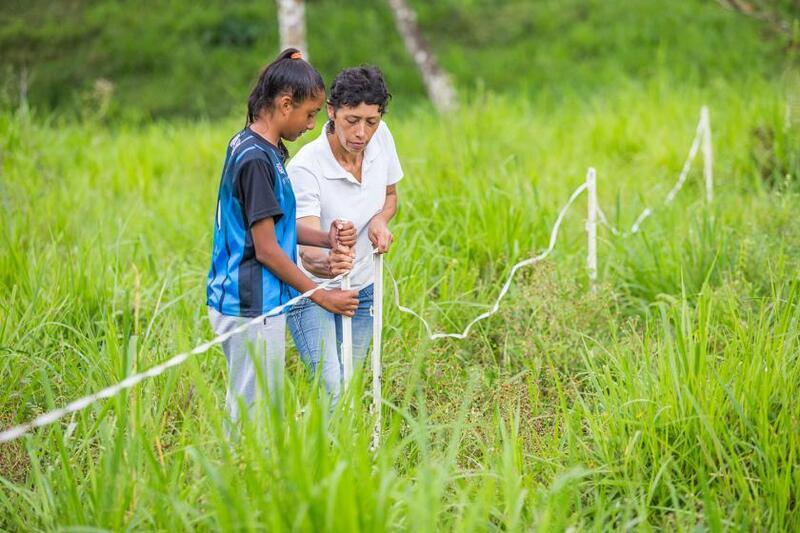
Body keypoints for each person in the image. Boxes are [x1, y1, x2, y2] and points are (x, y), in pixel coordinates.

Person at [206, 48, 359, 425]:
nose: (311, 124)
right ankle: (242, 480)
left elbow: (275, 228)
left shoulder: (256, 145)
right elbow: (268, 250)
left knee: (254, 407)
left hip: (255, 301)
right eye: (309, 114)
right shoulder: (257, 160)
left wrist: (327, 238)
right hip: (251, 305)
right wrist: (322, 296)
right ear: (284, 103)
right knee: (251, 416)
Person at [286, 65, 402, 406]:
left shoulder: (382, 138)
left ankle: (340, 453)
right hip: (312, 291)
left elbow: (390, 196)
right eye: (352, 120)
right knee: (332, 388)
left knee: (348, 386)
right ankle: (319, 456)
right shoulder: (307, 168)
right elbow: (306, 251)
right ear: (332, 112)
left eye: (372, 121)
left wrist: (380, 220)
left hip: (362, 287)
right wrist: (331, 263)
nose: (362, 133)